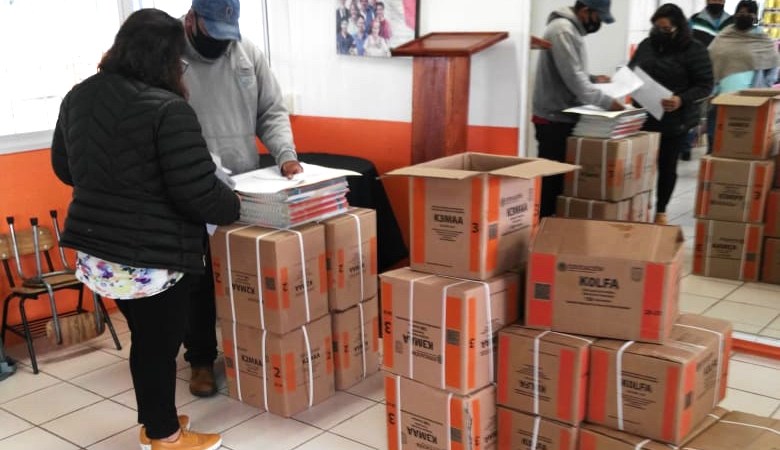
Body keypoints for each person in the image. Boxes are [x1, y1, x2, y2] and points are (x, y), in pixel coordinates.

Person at [51, 8, 239, 450]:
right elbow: (196, 192)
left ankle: (156, 420)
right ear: (164, 58)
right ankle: (165, 436)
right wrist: (233, 204)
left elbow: (64, 167)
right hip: (152, 258)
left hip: (99, 255)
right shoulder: (168, 109)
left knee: (146, 342)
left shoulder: (79, 96)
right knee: (157, 348)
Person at [180, 0, 303, 398]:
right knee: (198, 278)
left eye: (226, 34)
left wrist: (285, 155)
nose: (221, 42)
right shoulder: (168, 54)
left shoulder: (246, 52)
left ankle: (250, 351)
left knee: (243, 275)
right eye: (212, 32)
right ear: (192, 19)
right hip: (191, 185)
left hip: (244, 185)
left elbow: (271, 111)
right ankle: (200, 359)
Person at [532, 0, 624, 218]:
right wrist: (608, 102)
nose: (598, 23)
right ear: (584, 11)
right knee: (552, 182)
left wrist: (593, 79)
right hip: (553, 118)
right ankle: (544, 228)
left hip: (562, 115)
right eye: (598, 18)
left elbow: (571, 70)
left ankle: (554, 225)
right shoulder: (562, 30)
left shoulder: (570, 29)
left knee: (560, 181)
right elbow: (573, 78)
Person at [628, 3, 713, 225]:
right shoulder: (647, 45)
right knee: (639, 165)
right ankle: (639, 207)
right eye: (657, 27)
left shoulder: (694, 49)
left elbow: (705, 85)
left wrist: (680, 99)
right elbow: (631, 70)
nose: (660, 32)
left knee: (667, 166)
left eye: (666, 29)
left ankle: (661, 210)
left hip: (675, 119)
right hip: (644, 115)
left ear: (679, 27)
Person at [707, 0, 780, 153]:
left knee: (743, 142)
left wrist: (764, 87)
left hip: (751, 101)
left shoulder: (762, 40)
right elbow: (710, 59)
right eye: (740, 12)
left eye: (748, 13)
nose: (743, 15)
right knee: (716, 144)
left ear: (755, 16)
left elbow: (773, 65)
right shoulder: (724, 35)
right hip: (721, 97)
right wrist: (712, 88)